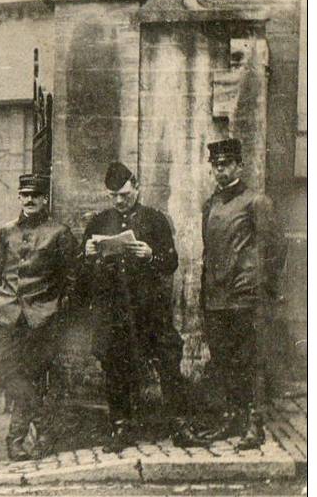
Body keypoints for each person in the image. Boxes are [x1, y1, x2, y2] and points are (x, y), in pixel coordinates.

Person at [80, 163, 201, 451]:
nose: (120, 201)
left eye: (124, 194)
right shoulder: (99, 222)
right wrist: (86, 253)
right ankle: (120, 427)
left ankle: (179, 424)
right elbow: (83, 271)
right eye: (114, 196)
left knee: (168, 362)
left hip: (149, 310)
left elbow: (170, 263)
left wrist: (150, 255)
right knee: (114, 367)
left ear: (137, 188)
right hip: (114, 311)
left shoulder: (155, 220)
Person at [200, 138, 285, 450]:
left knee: (250, 361)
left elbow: (275, 249)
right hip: (217, 297)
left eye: (226, 164)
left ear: (239, 165)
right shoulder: (211, 204)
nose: (220, 170)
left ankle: (254, 424)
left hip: (245, 297)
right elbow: (209, 252)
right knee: (223, 360)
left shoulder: (256, 202)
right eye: (216, 165)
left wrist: (263, 289)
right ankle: (231, 418)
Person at [0, 174, 77, 461]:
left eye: (35, 195)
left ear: (44, 198)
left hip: (41, 318)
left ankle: (15, 441)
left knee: (32, 376)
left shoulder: (60, 233)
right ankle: (44, 427)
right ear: (19, 197)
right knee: (0, 363)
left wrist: (57, 309)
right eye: (24, 195)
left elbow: (72, 278)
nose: (29, 200)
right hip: (6, 316)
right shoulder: (6, 232)